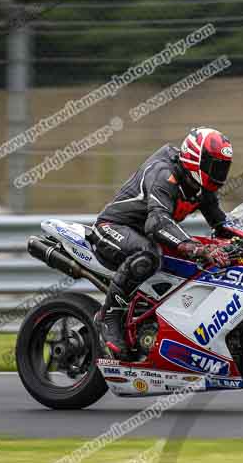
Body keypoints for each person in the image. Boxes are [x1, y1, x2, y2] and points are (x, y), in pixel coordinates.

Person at [90, 127, 235, 357]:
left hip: (145, 236)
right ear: (196, 159)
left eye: (223, 166)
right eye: (215, 166)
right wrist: (196, 248)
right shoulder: (164, 174)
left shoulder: (200, 187)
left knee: (192, 263)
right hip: (113, 228)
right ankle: (109, 317)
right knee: (149, 255)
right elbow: (156, 224)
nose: (219, 172)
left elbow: (222, 226)